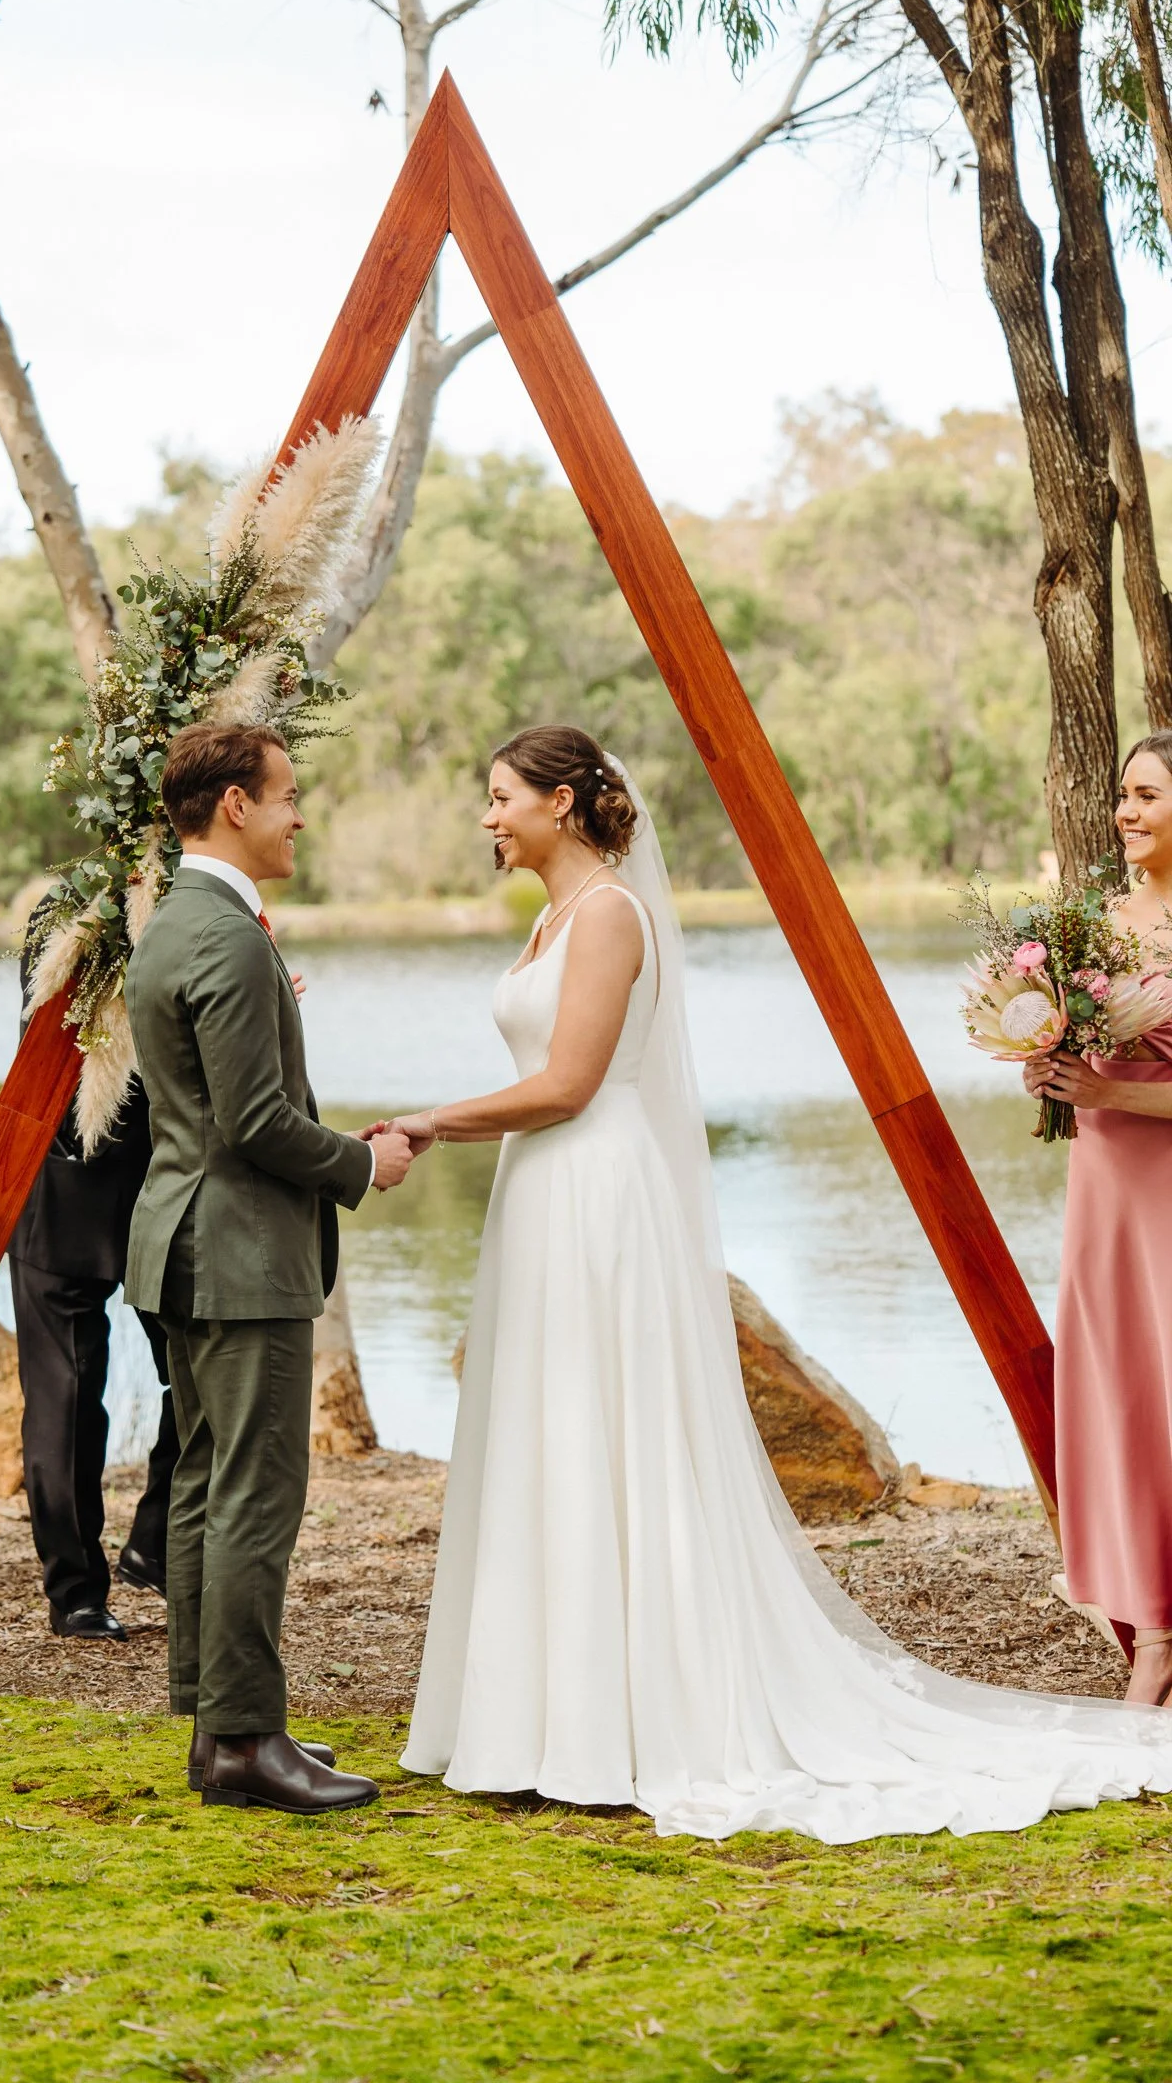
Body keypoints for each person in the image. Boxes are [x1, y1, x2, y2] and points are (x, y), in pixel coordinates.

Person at [394, 724, 1172, 1842]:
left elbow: (569, 1084)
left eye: (501, 795)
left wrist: (430, 1120)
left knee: (605, 1434)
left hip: (597, 1192)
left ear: (562, 804)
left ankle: (614, 1718)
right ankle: (538, 1713)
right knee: (549, 1433)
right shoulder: (559, 917)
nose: (487, 816)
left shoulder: (611, 914)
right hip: (543, 1195)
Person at [124, 720, 414, 1815]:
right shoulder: (230, 936)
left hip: (181, 1247)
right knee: (254, 1495)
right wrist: (364, 1161)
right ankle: (246, 1740)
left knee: (204, 1486)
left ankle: (217, 1729)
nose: (301, 813)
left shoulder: (178, 922)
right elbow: (250, 1124)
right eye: (288, 794)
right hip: (240, 1253)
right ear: (235, 806)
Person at [1024, 731, 1172, 1704]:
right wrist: (1042, 1064)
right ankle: (1153, 1631)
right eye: (1124, 793)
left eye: (1148, 795)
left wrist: (1112, 1096)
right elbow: (1060, 1044)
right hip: (1104, 1187)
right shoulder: (1093, 924)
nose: (1126, 811)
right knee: (1122, 1391)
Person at [9, 908, 180, 1642]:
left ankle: (135, 1555)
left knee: (205, 1371)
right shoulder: (182, 915)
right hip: (78, 1184)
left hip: (144, 1187)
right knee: (68, 1398)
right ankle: (87, 1585)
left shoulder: (63, 912)